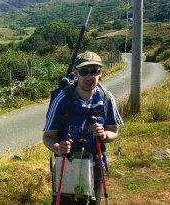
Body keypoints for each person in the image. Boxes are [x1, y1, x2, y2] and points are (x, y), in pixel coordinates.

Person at [42, 51, 124, 205]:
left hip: (95, 165)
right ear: (75, 73)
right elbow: (47, 137)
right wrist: (58, 147)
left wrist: (104, 135)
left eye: (94, 71)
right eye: (84, 71)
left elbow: (114, 131)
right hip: (67, 165)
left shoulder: (107, 98)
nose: (89, 76)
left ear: (100, 73)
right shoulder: (62, 99)